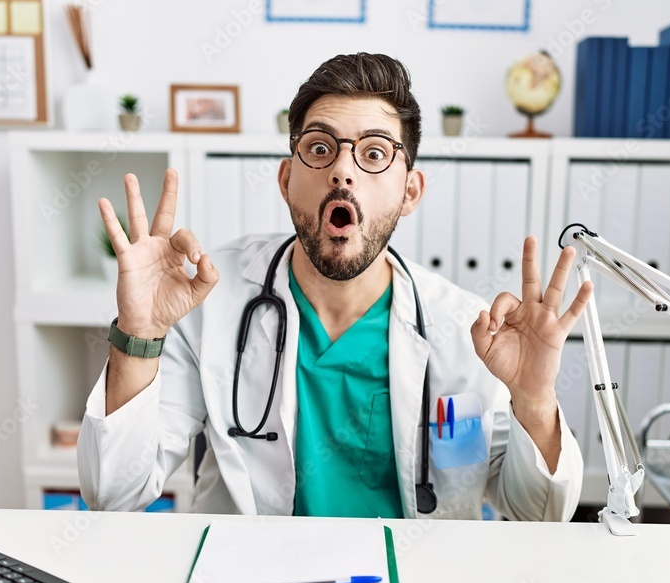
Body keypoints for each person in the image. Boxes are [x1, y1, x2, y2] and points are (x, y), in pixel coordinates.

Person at [78, 53, 592, 520]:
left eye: (373, 154)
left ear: (409, 191)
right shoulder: (212, 301)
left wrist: (534, 398)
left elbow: (538, 516)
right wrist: (138, 334)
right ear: (285, 180)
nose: (343, 171)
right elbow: (113, 494)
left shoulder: (466, 331)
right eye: (320, 148)